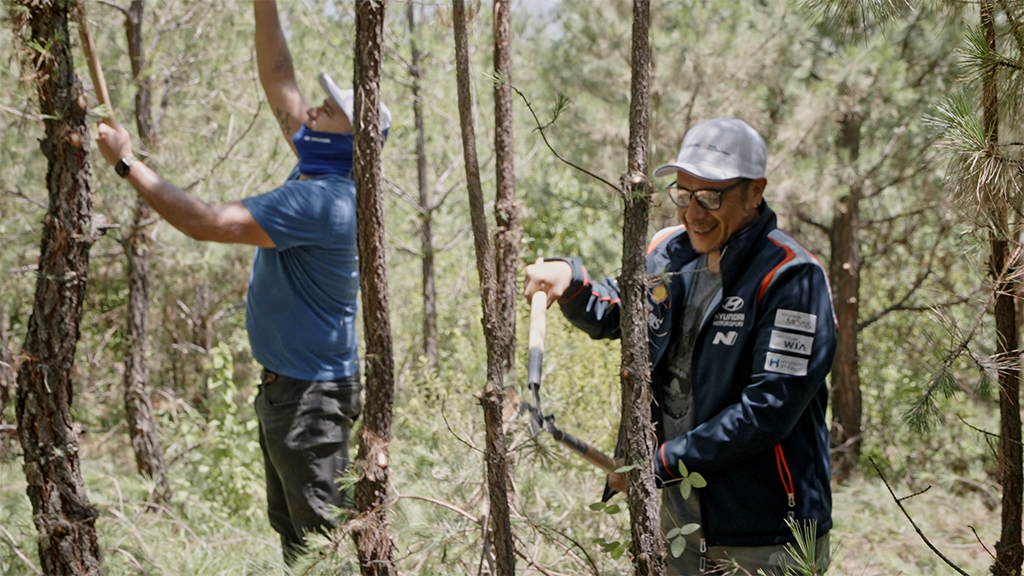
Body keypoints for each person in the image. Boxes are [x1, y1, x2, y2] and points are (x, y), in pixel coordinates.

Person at [95, 1, 391, 563]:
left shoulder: (322, 200)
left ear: (352, 142)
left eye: (331, 109)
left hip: (310, 402)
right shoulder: (321, 165)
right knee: (298, 544)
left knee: (322, 554)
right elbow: (279, 76)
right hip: (294, 391)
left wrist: (127, 164)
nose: (316, 106)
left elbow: (205, 222)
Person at [524, 118, 835, 575]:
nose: (694, 213)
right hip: (674, 521)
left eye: (712, 196)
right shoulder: (670, 250)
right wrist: (572, 281)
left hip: (765, 530)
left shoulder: (790, 276)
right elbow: (621, 309)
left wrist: (659, 464)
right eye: (684, 195)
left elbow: (766, 412)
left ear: (755, 192)